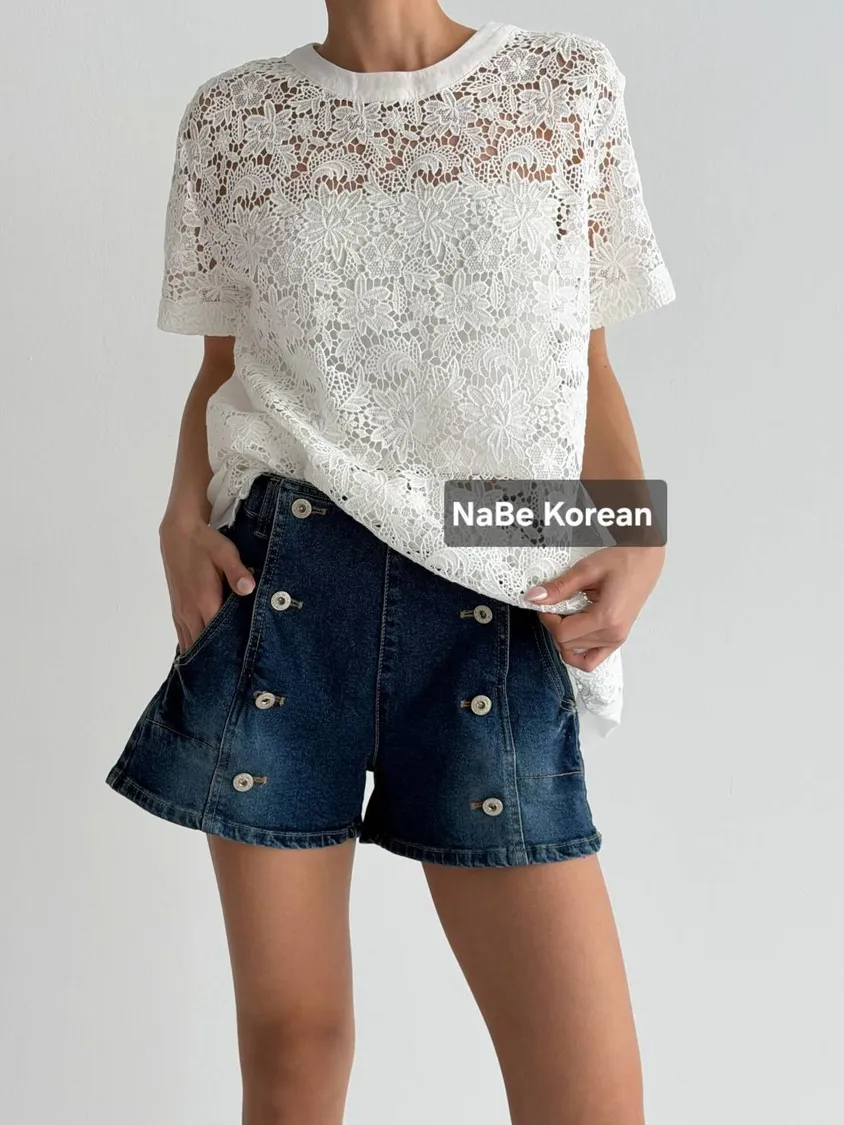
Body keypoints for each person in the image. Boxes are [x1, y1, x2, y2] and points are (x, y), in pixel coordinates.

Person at [106, 3, 675, 1122]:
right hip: (284, 585)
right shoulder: (235, 116)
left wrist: (638, 529)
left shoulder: (562, 85)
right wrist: (177, 522)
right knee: (294, 1052)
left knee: (588, 1094)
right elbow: (225, 368)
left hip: (494, 589)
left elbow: (584, 356)